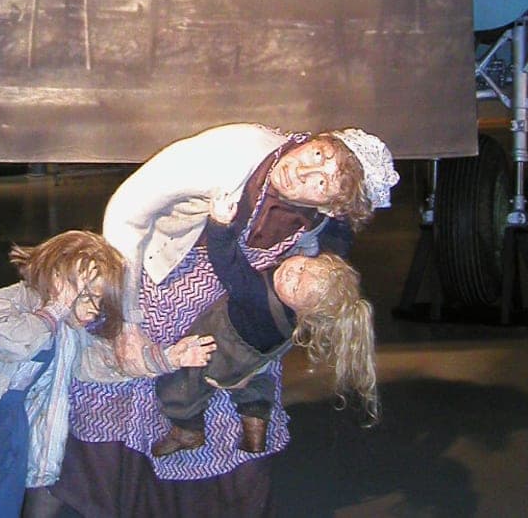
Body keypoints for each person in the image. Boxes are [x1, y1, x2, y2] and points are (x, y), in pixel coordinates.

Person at [52, 122, 398, 516]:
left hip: (237, 318)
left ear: (331, 206)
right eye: (318, 154)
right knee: (144, 390)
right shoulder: (231, 153)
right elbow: (127, 213)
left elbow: (323, 252)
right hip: (162, 286)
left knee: (226, 408)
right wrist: (127, 322)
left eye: (321, 183)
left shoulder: (323, 220)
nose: (303, 172)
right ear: (314, 140)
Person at [0, 230, 216, 517]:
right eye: (85, 296)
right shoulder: (1, 305)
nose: (92, 310)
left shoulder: (68, 329)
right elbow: (17, 342)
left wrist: (165, 359)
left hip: (7, 430)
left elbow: (99, 362)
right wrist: (57, 308)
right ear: (56, 279)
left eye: (99, 301)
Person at [151, 191, 378, 459]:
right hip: (262, 350)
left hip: (225, 344)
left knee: (185, 378)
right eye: (303, 267)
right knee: (256, 378)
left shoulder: (257, 296)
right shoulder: (316, 301)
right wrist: (339, 218)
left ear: (305, 310)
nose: (292, 273)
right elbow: (336, 246)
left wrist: (220, 225)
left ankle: (188, 429)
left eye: (295, 286)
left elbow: (227, 263)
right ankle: (255, 424)